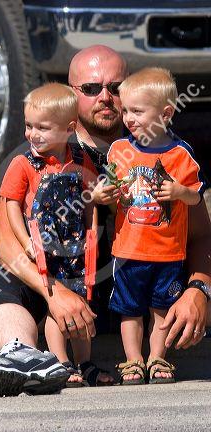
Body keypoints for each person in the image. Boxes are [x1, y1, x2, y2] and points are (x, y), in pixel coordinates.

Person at [0, 45, 211, 397]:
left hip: (144, 284)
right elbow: (2, 241)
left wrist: (199, 289)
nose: (106, 97)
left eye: (116, 87)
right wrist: (53, 292)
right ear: (71, 94)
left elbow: (203, 234)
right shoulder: (40, 153)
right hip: (65, 281)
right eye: (91, 89)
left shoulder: (168, 153)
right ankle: (20, 354)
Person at [105, 67, 205, 384]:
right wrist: (107, 193)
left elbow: (196, 198)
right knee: (130, 308)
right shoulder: (120, 150)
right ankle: (133, 360)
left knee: (161, 309)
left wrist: (179, 191)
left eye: (137, 111)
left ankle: (157, 358)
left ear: (165, 113)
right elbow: (107, 195)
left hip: (168, 251)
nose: (128, 119)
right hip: (129, 249)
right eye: (126, 111)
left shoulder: (181, 155)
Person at [0, 82, 104, 387]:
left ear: (68, 128)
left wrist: (92, 231)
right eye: (28, 126)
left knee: (82, 301)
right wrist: (27, 242)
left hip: (77, 247)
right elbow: (10, 207)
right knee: (57, 305)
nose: (32, 134)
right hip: (43, 247)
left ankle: (85, 363)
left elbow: (90, 199)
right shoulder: (23, 164)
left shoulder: (81, 160)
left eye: (42, 128)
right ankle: (61, 362)